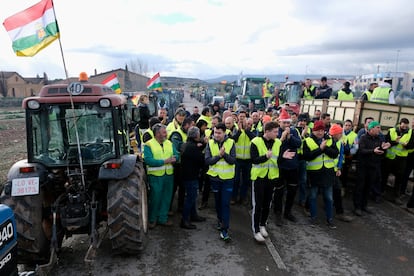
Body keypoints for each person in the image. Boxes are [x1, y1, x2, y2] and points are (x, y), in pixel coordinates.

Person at [250, 121, 295, 242]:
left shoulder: (278, 143)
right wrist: (265, 157)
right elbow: (253, 160)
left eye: (277, 131)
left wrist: (283, 157)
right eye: (275, 132)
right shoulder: (255, 142)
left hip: (272, 177)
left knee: (267, 204)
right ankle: (256, 230)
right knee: (258, 205)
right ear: (267, 131)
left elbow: (277, 160)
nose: (277, 134)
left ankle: (262, 224)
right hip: (259, 178)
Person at [302, 120, 339, 229]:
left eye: (322, 130)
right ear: (313, 131)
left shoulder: (330, 139)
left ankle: (330, 219)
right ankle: (313, 218)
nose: (320, 133)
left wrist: (325, 148)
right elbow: (307, 156)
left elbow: (335, 154)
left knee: (329, 198)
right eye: (318, 130)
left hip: (327, 173)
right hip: (314, 173)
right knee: (313, 196)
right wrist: (320, 149)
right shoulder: (307, 141)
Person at [205, 123, 236, 242]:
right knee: (218, 203)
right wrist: (219, 156)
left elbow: (233, 161)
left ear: (225, 133)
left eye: (219, 133)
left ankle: (224, 229)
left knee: (225, 204)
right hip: (215, 178)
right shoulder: (210, 143)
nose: (216, 135)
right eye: (215, 132)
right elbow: (208, 161)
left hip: (228, 179)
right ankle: (219, 220)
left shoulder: (231, 143)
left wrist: (225, 155)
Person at [144, 123, 179, 228]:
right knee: (155, 198)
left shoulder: (169, 143)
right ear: (157, 134)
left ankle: (162, 219)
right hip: (155, 176)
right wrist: (164, 161)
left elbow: (176, 154)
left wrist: (175, 158)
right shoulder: (148, 144)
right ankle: (152, 219)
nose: (166, 134)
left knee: (166, 198)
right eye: (164, 132)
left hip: (168, 175)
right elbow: (148, 160)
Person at [353, 121, 390, 216]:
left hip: (374, 167)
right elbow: (361, 150)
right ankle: (357, 207)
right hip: (363, 167)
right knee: (360, 186)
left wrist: (384, 149)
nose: (379, 130)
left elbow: (381, 153)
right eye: (378, 127)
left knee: (368, 186)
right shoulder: (363, 138)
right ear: (371, 129)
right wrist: (373, 151)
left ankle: (364, 205)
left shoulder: (379, 138)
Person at [273, 109, 302, 226]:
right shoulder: (276, 132)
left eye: (288, 123)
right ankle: (277, 213)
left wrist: (289, 137)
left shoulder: (294, 131)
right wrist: (283, 137)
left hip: (293, 166)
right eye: (284, 123)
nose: (286, 125)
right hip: (281, 166)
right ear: (279, 122)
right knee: (279, 192)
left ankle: (288, 212)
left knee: (292, 191)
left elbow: (298, 144)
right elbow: (276, 147)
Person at [381, 118, 414, 205]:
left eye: (406, 126)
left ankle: (396, 196)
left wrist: (406, 146)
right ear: (400, 124)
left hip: (401, 159)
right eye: (403, 125)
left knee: (399, 178)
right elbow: (386, 142)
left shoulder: (411, 132)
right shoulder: (391, 130)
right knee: (384, 175)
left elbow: (412, 145)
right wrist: (395, 142)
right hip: (390, 157)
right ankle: (381, 192)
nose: (404, 127)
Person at [180, 126, 206, 230]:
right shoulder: (193, 147)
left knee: (192, 197)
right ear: (196, 136)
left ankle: (193, 215)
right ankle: (185, 220)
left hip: (187, 175)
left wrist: (201, 145)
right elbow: (201, 159)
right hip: (191, 176)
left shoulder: (187, 145)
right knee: (190, 198)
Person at [330, 123, 353, 222]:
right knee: (318, 189)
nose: (341, 135)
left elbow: (341, 156)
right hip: (326, 171)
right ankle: (308, 207)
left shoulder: (341, 142)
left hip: (335, 171)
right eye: (340, 133)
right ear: (335, 134)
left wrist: (339, 168)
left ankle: (340, 213)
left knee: (337, 190)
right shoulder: (327, 142)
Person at [169, 117, 193, 213]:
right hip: (177, 165)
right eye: (191, 125)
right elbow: (177, 149)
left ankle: (181, 207)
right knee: (174, 187)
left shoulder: (186, 134)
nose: (192, 127)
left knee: (183, 187)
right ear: (186, 125)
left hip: (184, 165)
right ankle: (169, 208)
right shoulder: (177, 134)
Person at [232, 111, 256, 205]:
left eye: (250, 123)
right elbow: (233, 139)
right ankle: (234, 197)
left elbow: (254, 139)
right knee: (236, 180)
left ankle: (243, 197)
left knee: (246, 180)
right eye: (240, 116)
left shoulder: (253, 130)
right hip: (237, 159)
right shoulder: (236, 129)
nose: (248, 125)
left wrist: (246, 130)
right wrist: (239, 130)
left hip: (248, 160)